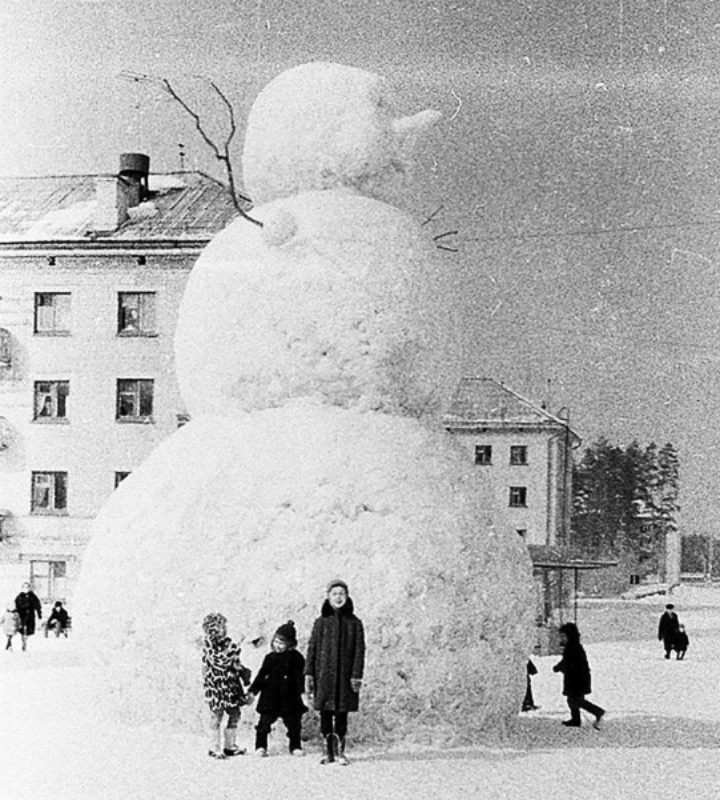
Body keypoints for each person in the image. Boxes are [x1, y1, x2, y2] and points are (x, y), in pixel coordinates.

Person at [305, 579, 365, 765]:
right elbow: (312, 648)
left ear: (347, 597)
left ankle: (340, 751)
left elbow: (359, 650)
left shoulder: (354, 623)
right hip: (324, 676)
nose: (338, 597)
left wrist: (356, 675)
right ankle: (327, 750)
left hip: (345, 677)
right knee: (325, 712)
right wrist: (309, 673)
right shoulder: (321, 623)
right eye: (334, 594)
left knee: (341, 713)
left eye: (342, 594)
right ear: (328, 597)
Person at [248, 620, 307, 757]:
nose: (278, 646)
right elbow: (262, 675)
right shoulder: (270, 658)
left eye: (282, 643)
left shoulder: (297, 658)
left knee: (294, 724)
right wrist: (253, 691)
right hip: (271, 696)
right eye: (276, 642)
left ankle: (295, 746)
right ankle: (261, 746)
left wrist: (303, 693)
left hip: (290, 697)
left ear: (290, 644)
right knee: (264, 723)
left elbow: (300, 677)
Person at [201, 612, 252, 759]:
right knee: (216, 716)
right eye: (222, 626)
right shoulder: (209, 646)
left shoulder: (228, 643)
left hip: (230, 686)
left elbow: (235, 662)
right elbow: (220, 661)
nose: (225, 629)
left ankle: (230, 745)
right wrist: (234, 650)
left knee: (235, 713)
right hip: (216, 687)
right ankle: (214, 747)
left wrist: (241, 670)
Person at [553, 621, 605, 729]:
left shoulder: (574, 648)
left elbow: (570, 663)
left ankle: (598, 712)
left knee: (576, 700)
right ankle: (575, 719)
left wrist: (559, 667)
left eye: (563, 636)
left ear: (569, 636)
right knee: (573, 699)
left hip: (577, 679)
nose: (561, 639)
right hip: (576, 678)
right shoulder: (572, 647)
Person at [14, 582, 42, 652]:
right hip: (22, 615)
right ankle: (23, 640)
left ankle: (26, 640)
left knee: (29, 628)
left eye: (27, 587)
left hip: (30, 615)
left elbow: (37, 604)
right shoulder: (20, 596)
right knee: (22, 628)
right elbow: (17, 605)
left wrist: (39, 613)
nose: (26, 589)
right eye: (25, 587)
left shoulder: (33, 596)